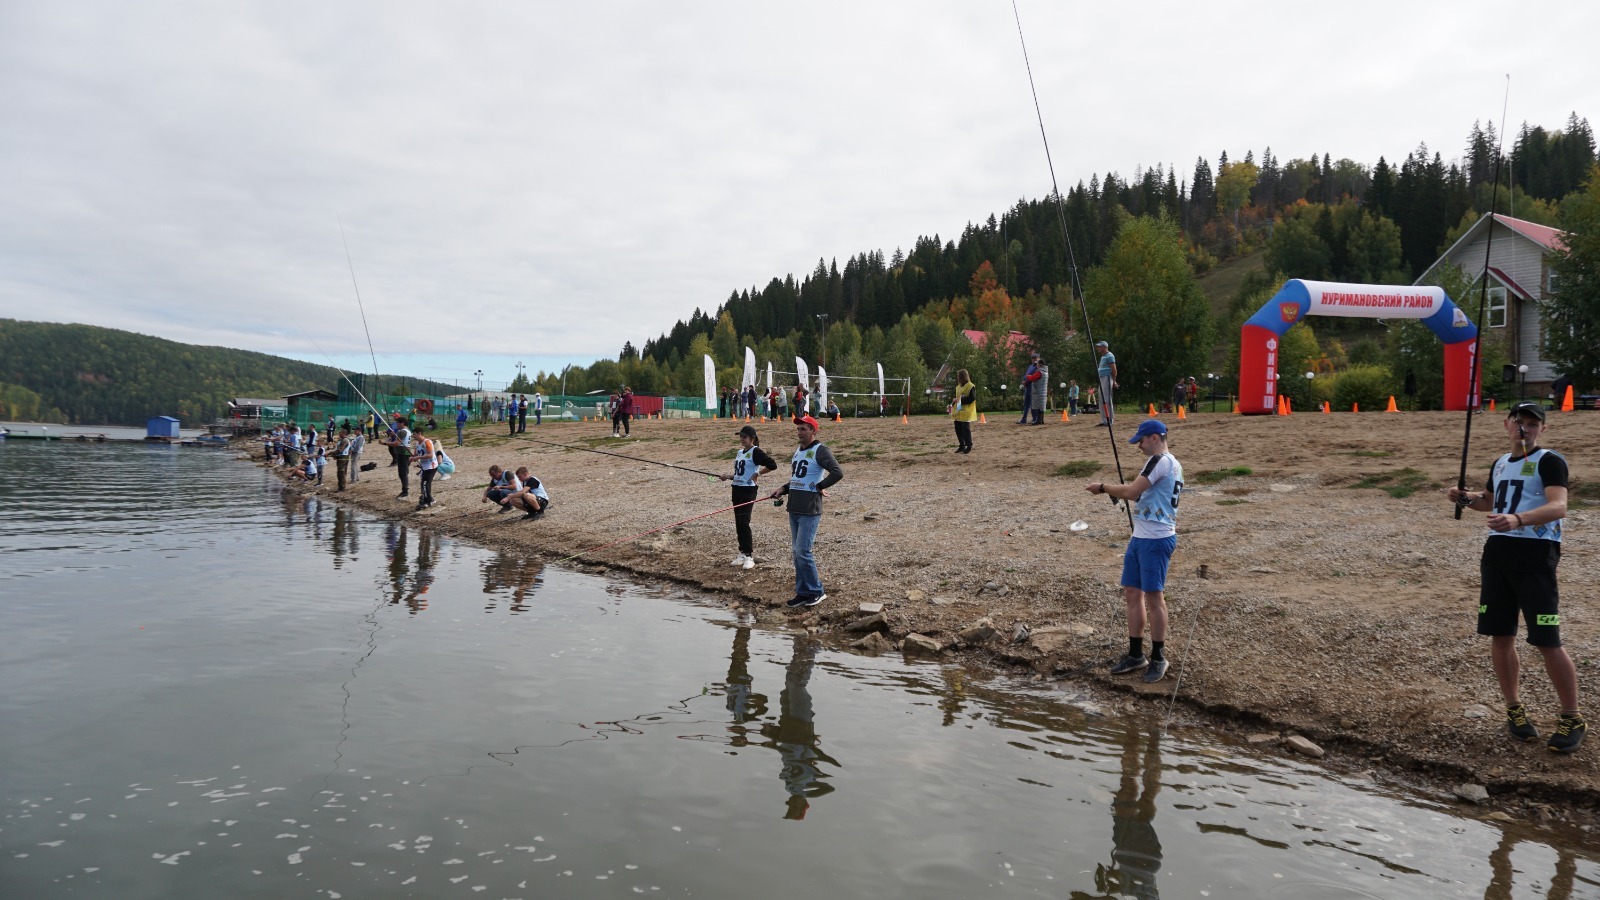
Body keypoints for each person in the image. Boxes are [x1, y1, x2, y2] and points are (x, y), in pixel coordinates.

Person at [1447, 401, 1584, 753]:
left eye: (1532, 423)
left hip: (1536, 556)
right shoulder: (1500, 463)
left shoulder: (1549, 461)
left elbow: (1559, 506)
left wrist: (1518, 519)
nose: (1524, 428)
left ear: (1542, 429)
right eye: (1519, 421)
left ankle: (1572, 716)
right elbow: (1491, 502)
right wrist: (1466, 499)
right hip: (1498, 554)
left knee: (1546, 639)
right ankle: (1514, 709)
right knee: (1501, 634)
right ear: (1506, 425)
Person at [1088, 419, 1183, 683]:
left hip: (1156, 539)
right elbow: (1140, 493)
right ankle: (1135, 654)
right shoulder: (1164, 463)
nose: (1138, 445)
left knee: (1154, 598)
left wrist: (1103, 488)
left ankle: (1159, 657)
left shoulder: (1161, 461)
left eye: (1140, 440)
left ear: (1154, 438)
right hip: (1140, 537)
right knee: (1132, 593)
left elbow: (1131, 492)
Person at [768, 416, 843, 609]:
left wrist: (820, 486)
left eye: (803, 429)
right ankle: (803, 592)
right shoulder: (798, 451)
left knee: (803, 551)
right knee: (796, 553)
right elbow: (797, 478)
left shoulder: (821, 450)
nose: (799, 432)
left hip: (809, 508)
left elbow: (837, 472)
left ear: (813, 431)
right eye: (798, 429)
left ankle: (817, 591)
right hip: (794, 506)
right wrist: (783, 489)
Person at [719, 424, 778, 570]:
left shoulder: (755, 451)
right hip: (736, 489)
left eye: (744, 437)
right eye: (740, 436)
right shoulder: (740, 452)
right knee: (738, 522)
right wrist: (728, 476)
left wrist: (758, 473)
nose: (741, 439)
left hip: (748, 490)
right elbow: (740, 473)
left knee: (744, 522)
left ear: (752, 438)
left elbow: (772, 465)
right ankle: (742, 552)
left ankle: (749, 556)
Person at [948, 368, 977, 454]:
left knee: (965, 429)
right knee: (958, 429)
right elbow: (958, 398)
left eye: (958, 376)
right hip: (958, 411)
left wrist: (960, 400)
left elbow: (972, 398)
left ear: (962, 376)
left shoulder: (970, 386)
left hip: (966, 411)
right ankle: (962, 445)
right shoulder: (958, 387)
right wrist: (954, 402)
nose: (957, 378)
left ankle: (969, 445)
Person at [412, 429, 438, 510]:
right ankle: (429, 499)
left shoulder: (427, 442)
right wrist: (413, 458)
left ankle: (428, 501)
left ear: (419, 434)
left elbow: (430, 455)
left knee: (426, 484)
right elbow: (415, 454)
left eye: (414, 434)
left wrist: (418, 457)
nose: (413, 436)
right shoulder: (417, 444)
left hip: (431, 466)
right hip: (424, 467)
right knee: (423, 484)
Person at [387, 418, 412, 499]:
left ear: (402, 423)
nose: (396, 424)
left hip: (402, 453)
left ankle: (405, 491)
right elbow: (402, 439)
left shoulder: (401, 431)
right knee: (405, 471)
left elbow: (396, 443)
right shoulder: (407, 430)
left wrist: (384, 443)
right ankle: (405, 489)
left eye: (398, 423)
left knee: (402, 473)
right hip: (407, 452)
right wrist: (395, 435)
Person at [1096, 340, 1118, 427]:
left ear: (1104, 347)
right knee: (1101, 399)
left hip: (1107, 377)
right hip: (1102, 378)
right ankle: (1104, 420)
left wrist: (1114, 381)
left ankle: (1109, 420)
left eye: (1100, 346)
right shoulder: (1103, 357)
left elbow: (1114, 369)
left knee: (1106, 400)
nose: (1098, 348)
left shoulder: (1109, 356)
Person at [1020, 352, 1042, 424]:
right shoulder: (1030, 366)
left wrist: (1026, 381)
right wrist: (1023, 380)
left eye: (1035, 358)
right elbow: (1026, 374)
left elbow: (1033, 376)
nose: (1034, 359)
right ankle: (1024, 419)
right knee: (1026, 403)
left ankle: (1034, 418)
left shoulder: (1038, 367)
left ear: (1038, 358)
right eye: (1033, 358)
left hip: (1033, 386)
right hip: (1028, 386)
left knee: (1033, 403)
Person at [333, 425, 353, 491]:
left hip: (343, 458)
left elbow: (340, 450)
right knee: (342, 472)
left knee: (341, 473)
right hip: (342, 457)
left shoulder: (345, 440)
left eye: (340, 433)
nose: (339, 434)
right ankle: (342, 486)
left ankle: (342, 487)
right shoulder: (344, 440)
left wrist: (330, 453)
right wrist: (335, 456)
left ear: (344, 434)